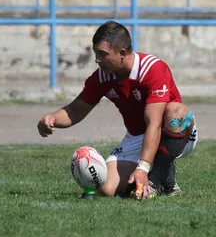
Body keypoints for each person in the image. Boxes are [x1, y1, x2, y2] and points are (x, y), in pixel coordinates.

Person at [37, 21, 198, 199]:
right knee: (106, 188)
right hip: (137, 135)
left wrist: (142, 168)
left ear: (122, 53)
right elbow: (76, 110)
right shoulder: (102, 77)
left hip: (173, 131)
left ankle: (155, 180)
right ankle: (161, 178)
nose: (97, 60)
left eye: (102, 54)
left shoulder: (153, 69)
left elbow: (154, 123)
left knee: (176, 113)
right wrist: (52, 118)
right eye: (96, 53)